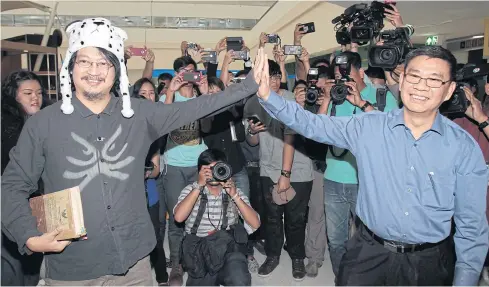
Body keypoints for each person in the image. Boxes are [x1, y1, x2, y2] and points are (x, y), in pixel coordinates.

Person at [1, 18, 266, 286]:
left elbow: (198, 107)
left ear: (117, 70)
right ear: (70, 67)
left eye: (104, 62)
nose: (94, 70)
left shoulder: (140, 115)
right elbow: (11, 186)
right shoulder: (43, 124)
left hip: (134, 266)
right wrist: (28, 235)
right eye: (84, 61)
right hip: (72, 268)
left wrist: (249, 85)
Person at [255, 46, 489, 286]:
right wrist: (267, 96)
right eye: (415, 76)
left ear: (449, 89)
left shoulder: (463, 147)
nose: (421, 86)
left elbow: (472, 228)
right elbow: (313, 124)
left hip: (428, 261)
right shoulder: (368, 127)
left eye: (434, 80)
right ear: (403, 79)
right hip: (368, 251)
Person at [173, 149, 260, 286]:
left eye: (217, 168)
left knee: (240, 278)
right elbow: (178, 217)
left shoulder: (233, 192)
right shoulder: (191, 191)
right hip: (199, 255)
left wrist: (235, 195)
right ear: (199, 171)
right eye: (208, 169)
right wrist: (198, 187)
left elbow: (255, 223)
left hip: (228, 251)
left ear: (225, 169)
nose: (213, 174)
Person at [1, 70, 49, 286]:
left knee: (31, 267)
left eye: (38, 92)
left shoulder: (44, 122)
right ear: (13, 96)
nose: (35, 98)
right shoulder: (7, 127)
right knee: (12, 270)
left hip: (37, 205)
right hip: (10, 207)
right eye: (27, 93)